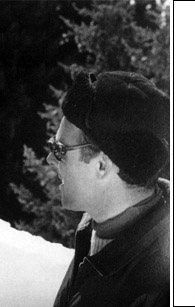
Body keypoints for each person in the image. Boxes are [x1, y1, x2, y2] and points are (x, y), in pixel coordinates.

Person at [50, 71, 170, 307]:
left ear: (102, 165)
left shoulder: (162, 288)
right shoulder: (93, 228)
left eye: (59, 150)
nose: (50, 159)